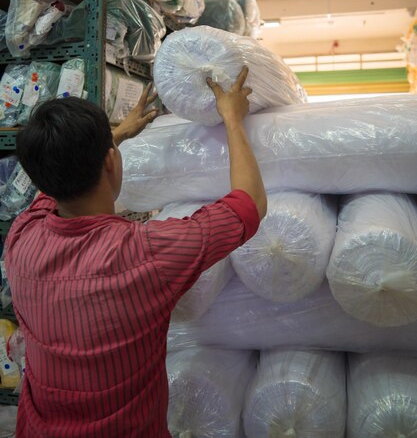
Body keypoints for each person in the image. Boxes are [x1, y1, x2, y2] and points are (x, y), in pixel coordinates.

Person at [5, 66, 267, 438]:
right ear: (111, 162)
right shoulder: (145, 254)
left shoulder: (22, 236)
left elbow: (55, 179)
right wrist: (233, 120)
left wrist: (116, 137)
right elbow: (248, 206)